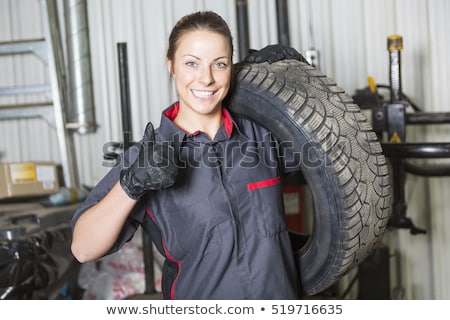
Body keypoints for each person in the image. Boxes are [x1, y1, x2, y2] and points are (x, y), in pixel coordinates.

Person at [71, 10, 306, 299]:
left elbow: (338, 164)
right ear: (171, 66)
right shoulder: (147, 157)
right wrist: (131, 185)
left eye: (219, 64)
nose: (206, 79)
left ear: (231, 67)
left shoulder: (263, 136)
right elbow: (82, 248)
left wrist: (301, 87)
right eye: (191, 63)